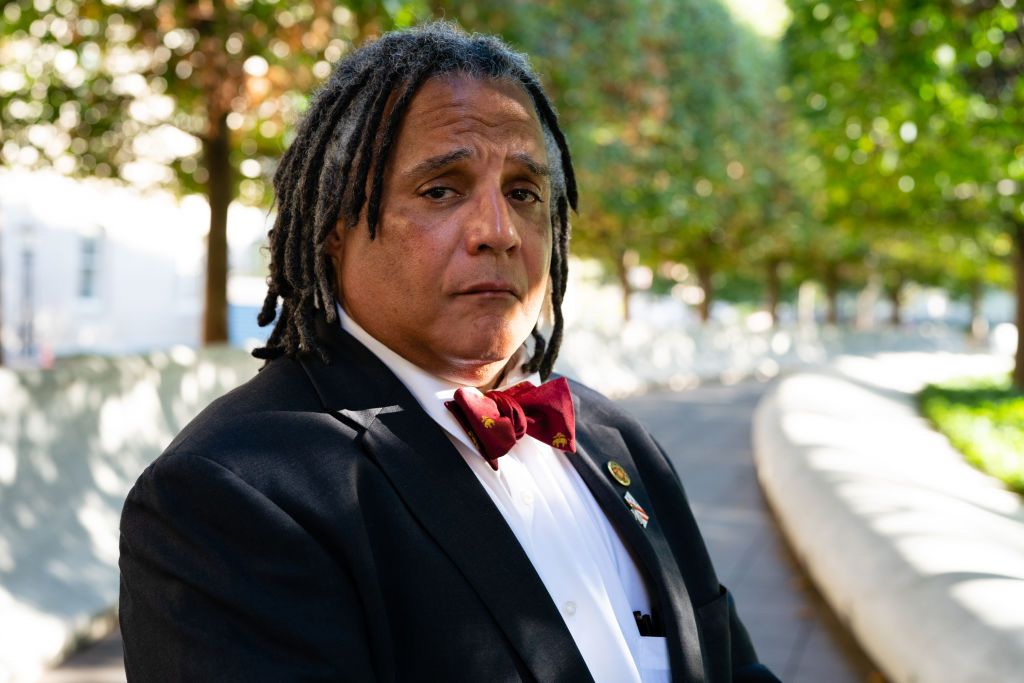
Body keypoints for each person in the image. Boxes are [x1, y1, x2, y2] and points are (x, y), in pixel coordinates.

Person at [119, 22, 779, 683]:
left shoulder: (615, 438)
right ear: (332, 229)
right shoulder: (230, 490)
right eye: (442, 189)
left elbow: (730, 666)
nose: (499, 232)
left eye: (523, 192)